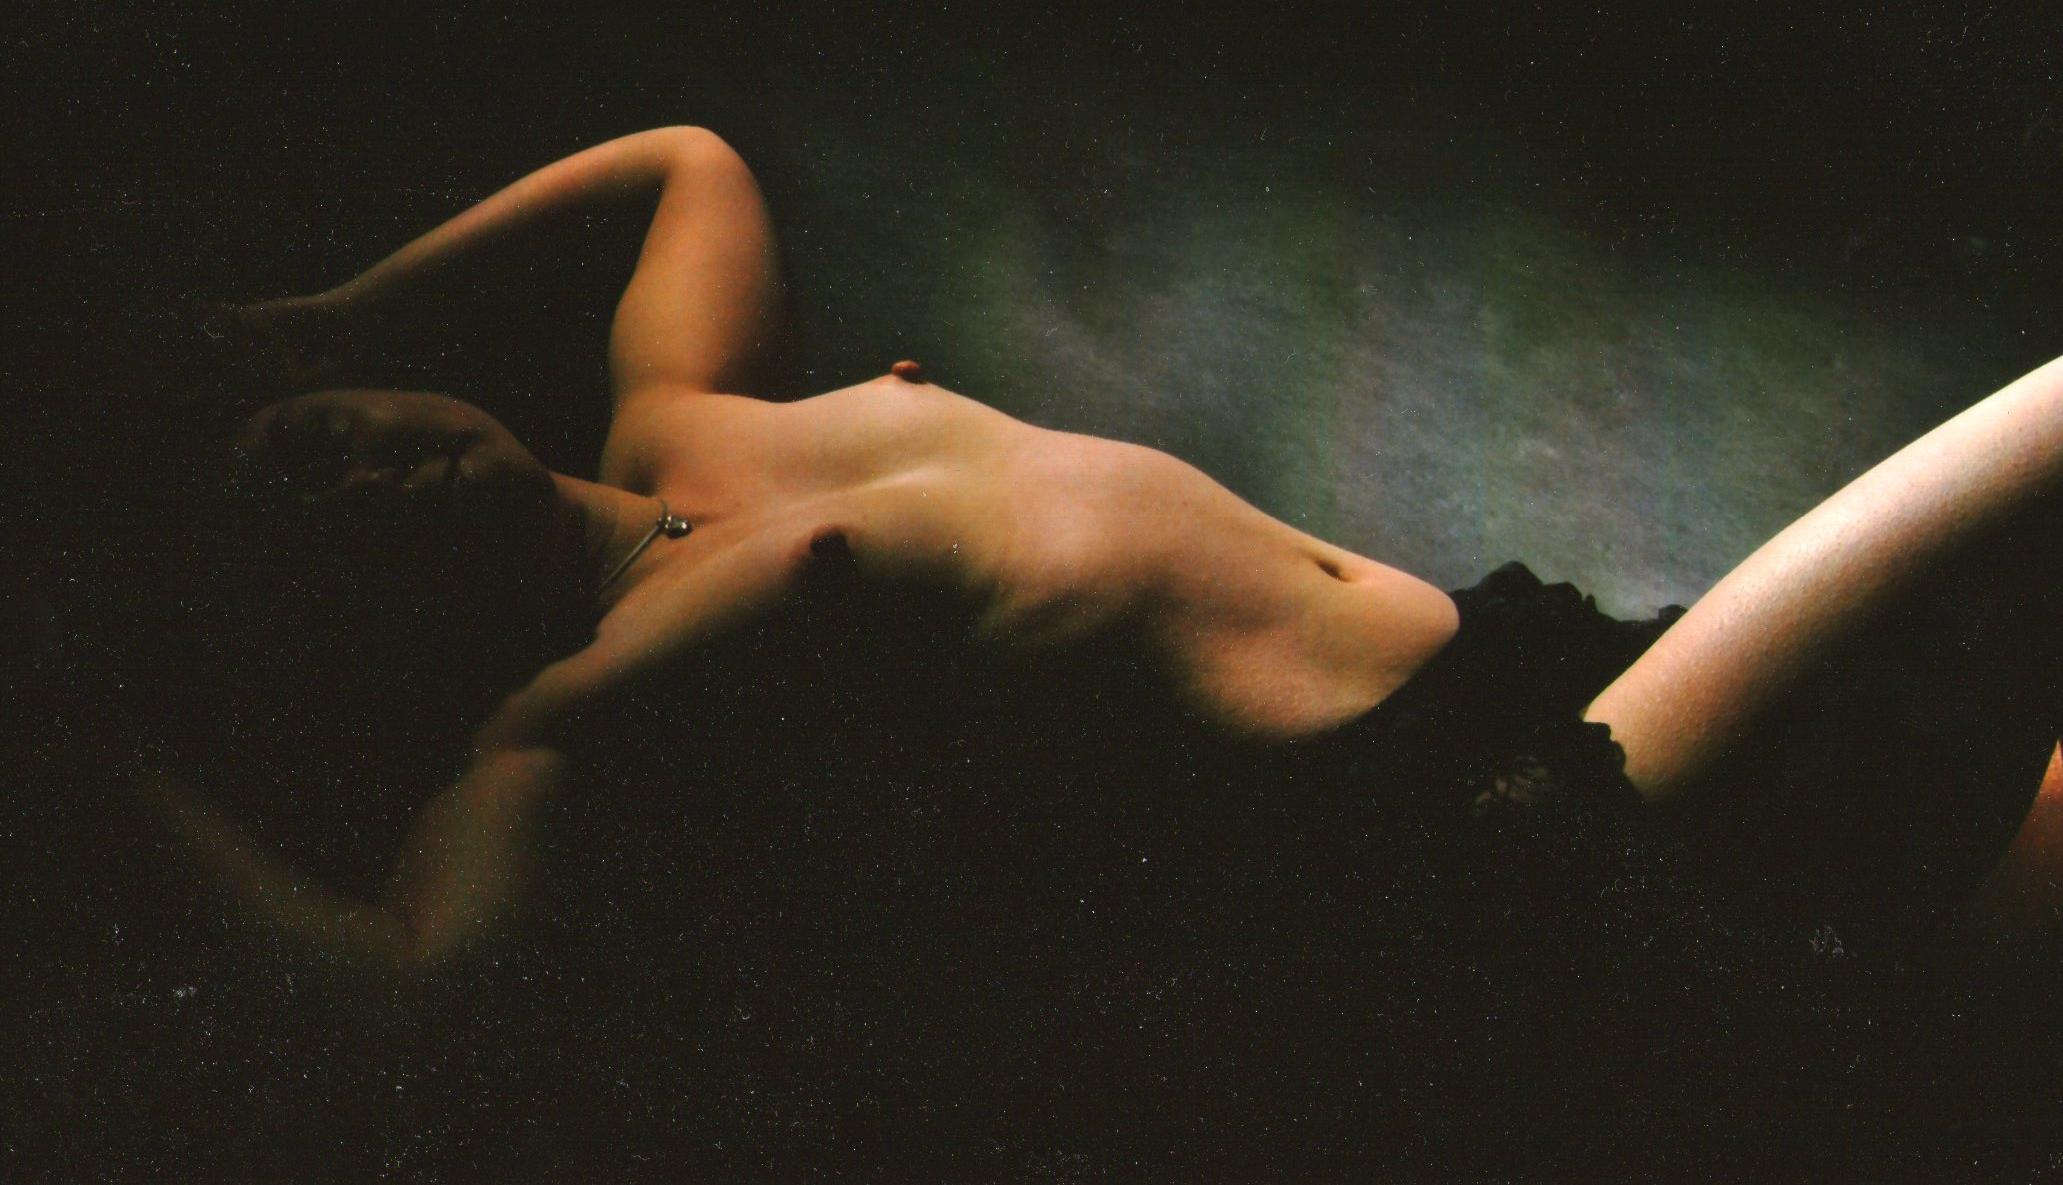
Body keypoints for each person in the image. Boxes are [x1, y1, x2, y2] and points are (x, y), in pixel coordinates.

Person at [134, 125, 2063, 983]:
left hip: (1522, 660)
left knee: (1983, 910)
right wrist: (100, 784)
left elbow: (686, 158)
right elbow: (407, 973)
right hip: (1474, 814)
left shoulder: (681, 410)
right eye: (316, 523)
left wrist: (325, 312)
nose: (357, 471)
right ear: (364, 627)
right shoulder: (579, 695)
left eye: (318, 434)